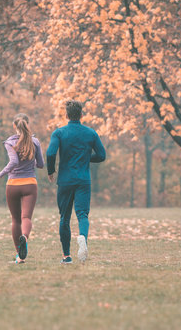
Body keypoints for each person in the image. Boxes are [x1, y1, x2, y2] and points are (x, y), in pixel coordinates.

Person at [46, 100, 106, 264]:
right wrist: (86, 158)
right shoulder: (91, 133)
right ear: (81, 115)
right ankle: (82, 237)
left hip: (65, 180)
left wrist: (51, 171)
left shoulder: (59, 133)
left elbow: (51, 153)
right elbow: (101, 155)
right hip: (83, 180)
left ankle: (66, 257)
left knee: (64, 217)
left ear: (66, 115)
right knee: (82, 214)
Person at [0, 113, 44, 264]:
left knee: (16, 220)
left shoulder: (10, 142)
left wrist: (1, 173)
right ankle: (25, 237)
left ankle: (19, 256)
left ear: (14, 126)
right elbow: (41, 164)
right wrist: (30, 164)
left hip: (13, 184)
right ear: (28, 125)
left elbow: (14, 161)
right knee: (26, 218)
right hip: (30, 183)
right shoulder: (35, 142)